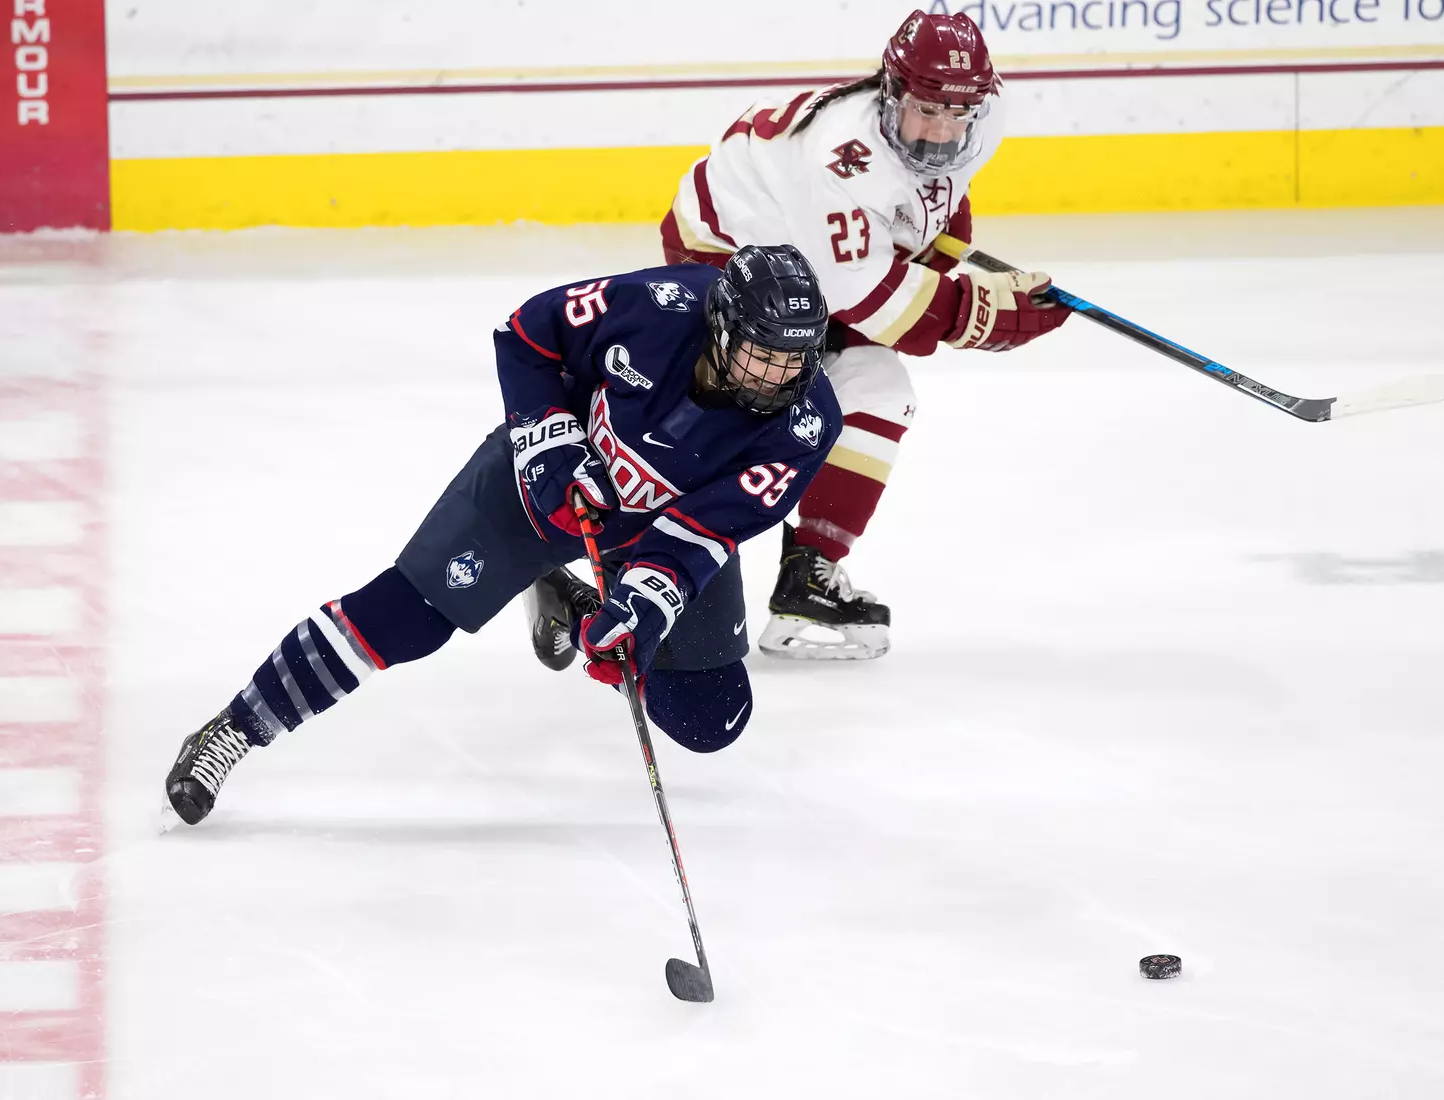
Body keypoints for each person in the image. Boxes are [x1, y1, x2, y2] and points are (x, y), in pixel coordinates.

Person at [163, 245, 840, 827]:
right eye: (762, 356)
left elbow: (704, 530)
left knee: (709, 717)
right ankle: (234, 729)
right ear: (721, 328)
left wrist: (639, 608)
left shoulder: (806, 426)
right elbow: (527, 334)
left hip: (660, 524)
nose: (778, 379)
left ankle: (574, 608)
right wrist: (550, 445)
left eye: (794, 362)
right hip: (545, 489)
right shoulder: (656, 306)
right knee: (409, 618)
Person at [657, 9, 1069, 660]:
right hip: (722, 257)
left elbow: (940, 197)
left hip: (808, 250)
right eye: (928, 109)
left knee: (878, 389)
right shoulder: (841, 166)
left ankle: (809, 576)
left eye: (958, 113)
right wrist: (981, 314)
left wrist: (938, 260)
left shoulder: (974, 117)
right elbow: (875, 303)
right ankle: (640, 551)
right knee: (748, 405)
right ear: (891, 92)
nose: (943, 129)